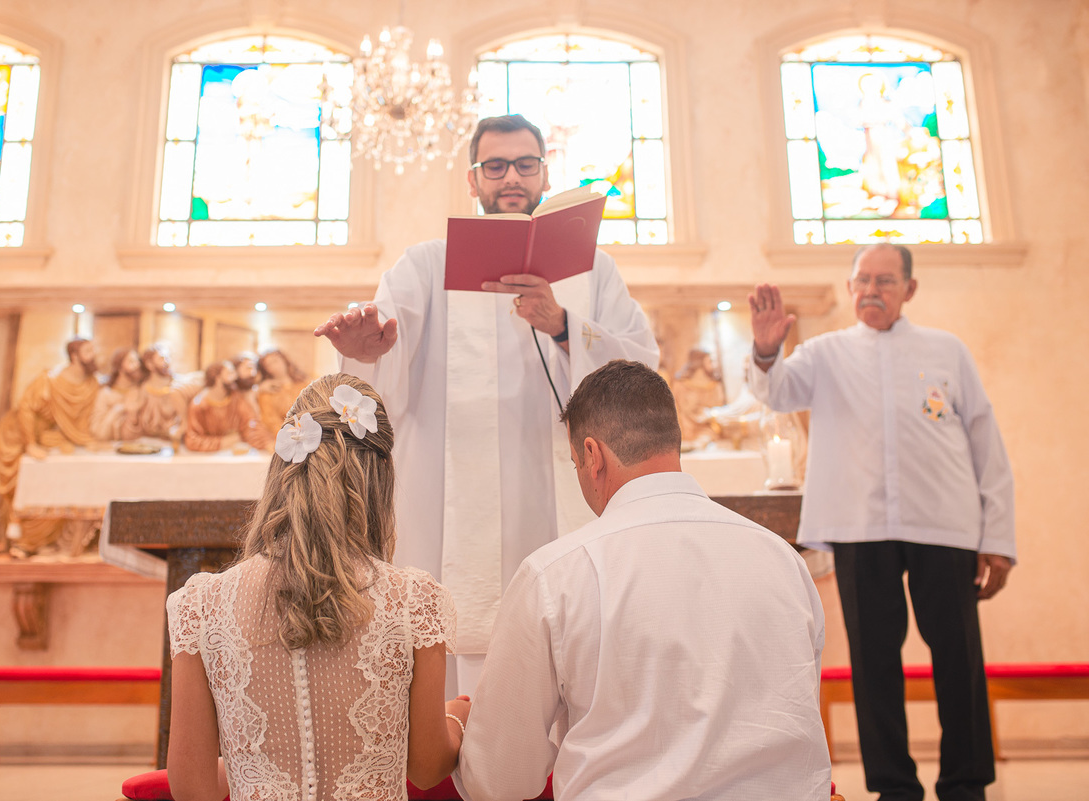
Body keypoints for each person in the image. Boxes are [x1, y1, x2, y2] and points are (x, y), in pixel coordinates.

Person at [314, 114, 658, 687]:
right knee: (450, 640)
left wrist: (566, 325)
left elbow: (641, 368)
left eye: (525, 164)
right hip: (449, 498)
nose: (511, 177)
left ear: (545, 171)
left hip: (555, 488)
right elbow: (381, 379)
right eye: (494, 166)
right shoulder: (426, 264)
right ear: (472, 181)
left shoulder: (592, 269)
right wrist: (363, 353)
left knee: (563, 639)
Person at [447, 360, 830, 800]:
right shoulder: (781, 558)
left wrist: (460, 722)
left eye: (574, 464)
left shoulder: (556, 575)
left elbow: (502, 779)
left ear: (592, 456)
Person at [747, 243, 1015, 801]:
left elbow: (985, 443)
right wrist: (768, 350)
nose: (871, 289)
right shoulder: (825, 353)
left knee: (958, 657)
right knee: (874, 663)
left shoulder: (947, 351)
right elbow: (775, 392)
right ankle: (894, 787)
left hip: (945, 525)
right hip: (859, 525)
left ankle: (965, 784)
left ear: (909, 290)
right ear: (849, 288)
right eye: (862, 280)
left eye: (885, 281)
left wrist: (998, 542)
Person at [166, 374, 462, 801]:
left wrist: (251, 762)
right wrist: (458, 720)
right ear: (378, 480)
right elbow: (428, 765)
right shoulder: (415, 601)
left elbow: (192, 789)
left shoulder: (202, 605)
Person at [0, 337, 102, 554]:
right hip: (19, 435)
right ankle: (24, 542)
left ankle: (44, 541)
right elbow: (26, 409)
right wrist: (31, 443)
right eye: (88, 350)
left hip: (48, 437)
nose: (93, 354)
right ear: (75, 355)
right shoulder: (50, 380)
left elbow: (78, 423)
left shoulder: (91, 384)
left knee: (63, 483)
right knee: (31, 484)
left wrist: (76, 439)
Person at [183, 361, 273, 453]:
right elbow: (192, 440)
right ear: (217, 378)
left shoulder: (236, 399)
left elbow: (251, 424)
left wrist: (267, 443)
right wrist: (223, 442)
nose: (235, 377)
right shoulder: (199, 405)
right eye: (230, 373)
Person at [90, 347, 146, 442]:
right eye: (131, 362)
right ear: (119, 366)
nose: (137, 366)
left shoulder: (141, 392)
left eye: (137, 362)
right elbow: (99, 433)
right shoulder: (105, 394)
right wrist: (118, 409)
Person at [254, 347, 310, 437]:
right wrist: (292, 435)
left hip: (313, 429)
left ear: (284, 360)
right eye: (269, 365)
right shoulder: (267, 392)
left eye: (275, 360)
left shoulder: (304, 382)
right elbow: (271, 421)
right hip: (289, 436)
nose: (274, 366)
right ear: (266, 370)